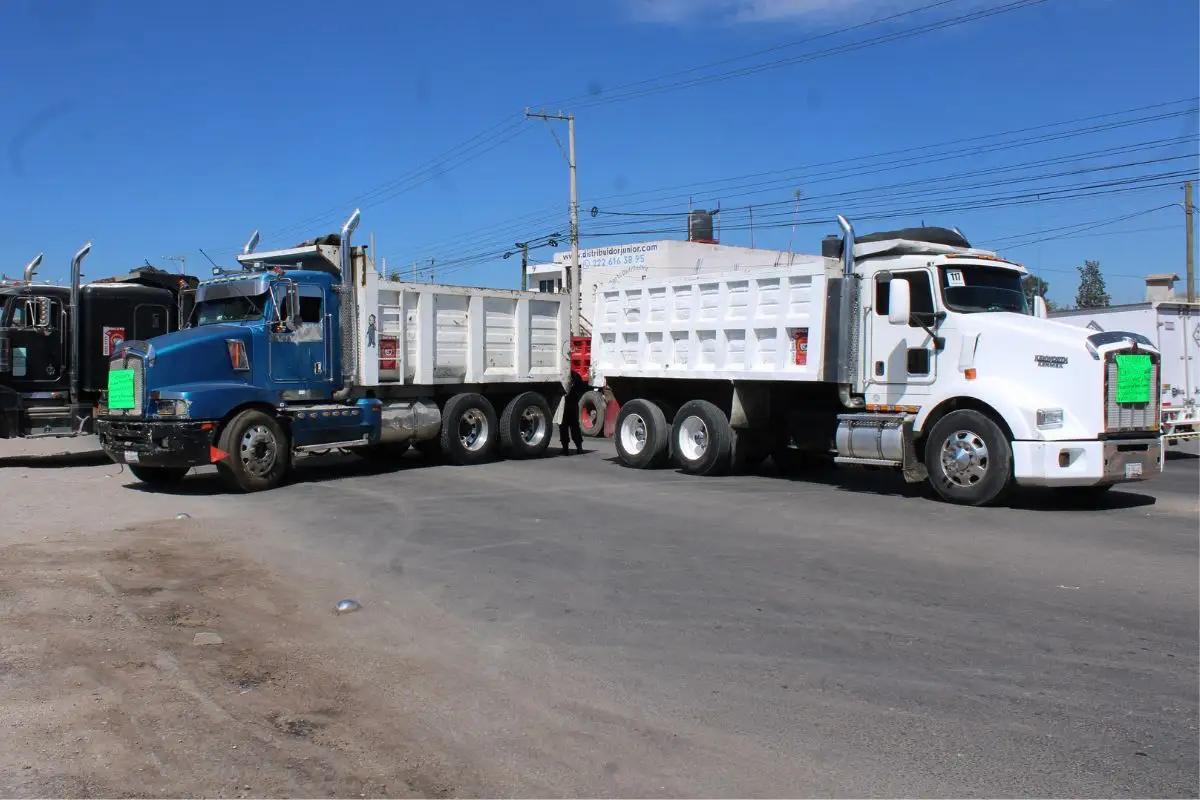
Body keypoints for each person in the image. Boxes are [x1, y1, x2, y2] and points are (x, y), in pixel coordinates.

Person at [560, 370, 586, 455]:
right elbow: (582, 389)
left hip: (565, 404)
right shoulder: (575, 375)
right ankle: (578, 448)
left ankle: (566, 449)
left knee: (564, 426)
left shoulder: (561, 375)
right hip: (572, 403)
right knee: (574, 425)